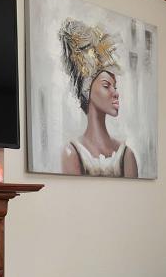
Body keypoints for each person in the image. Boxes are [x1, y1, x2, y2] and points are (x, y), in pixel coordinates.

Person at [57, 19, 139, 177]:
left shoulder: (126, 154)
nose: (115, 93)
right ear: (88, 91)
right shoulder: (72, 151)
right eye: (106, 86)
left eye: (115, 87)